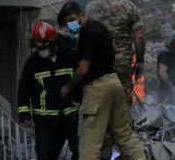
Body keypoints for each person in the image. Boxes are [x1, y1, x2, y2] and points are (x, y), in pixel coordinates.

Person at [60, 10, 147, 160]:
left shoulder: (87, 32)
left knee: (89, 144)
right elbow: (116, 49)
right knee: (125, 136)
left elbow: (83, 69)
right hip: (114, 83)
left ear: (81, 14)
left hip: (98, 89)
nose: (70, 24)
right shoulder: (99, 27)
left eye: (71, 19)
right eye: (67, 22)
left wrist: (68, 86)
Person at [16, 21, 80, 160]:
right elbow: (23, 89)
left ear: (53, 42)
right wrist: (24, 113)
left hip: (72, 116)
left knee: (81, 153)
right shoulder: (32, 62)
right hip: (46, 122)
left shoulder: (71, 55)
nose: (40, 51)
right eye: (36, 47)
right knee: (45, 156)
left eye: (42, 46)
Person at [84, 0, 145, 103]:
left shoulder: (90, 7)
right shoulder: (129, 7)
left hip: (97, 67)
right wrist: (139, 62)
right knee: (122, 105)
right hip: (121, 66)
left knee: (99, 103)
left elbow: (83, 35)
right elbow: (139, 37)